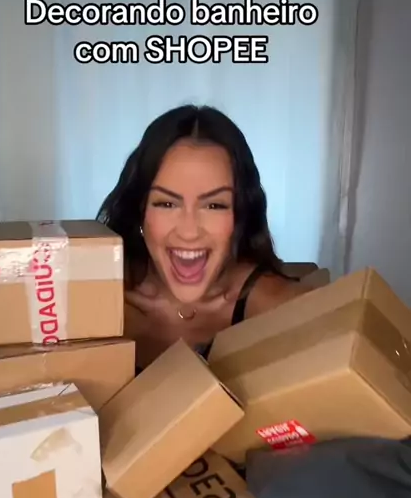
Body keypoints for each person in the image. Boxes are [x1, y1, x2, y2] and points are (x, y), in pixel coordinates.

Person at [97, 104, 304, 373]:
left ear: (239, 214)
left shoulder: (278, 306)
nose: (189, 231)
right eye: (166, 204)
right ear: (140, 210)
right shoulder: (90, 300)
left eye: (214, 205)